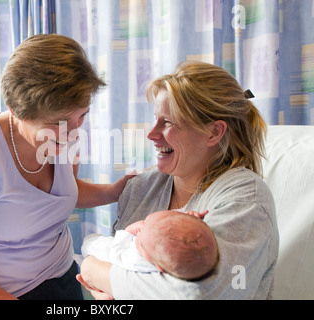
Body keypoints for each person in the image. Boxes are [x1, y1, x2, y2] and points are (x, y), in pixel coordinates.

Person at [0, 34, 132, 300]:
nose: (72, 132)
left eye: (81, 115)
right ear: (16, 111)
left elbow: (63, 192)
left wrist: (114, 191)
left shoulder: (66, 137)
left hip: (62, 275)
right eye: (58, 121)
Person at [77, 61, 279, 300]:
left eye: (168, 122)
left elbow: (195, 294)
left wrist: (92, 269)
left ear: (213, 133)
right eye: (155, 119)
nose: (151, 134)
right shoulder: (141, 188)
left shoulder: (246, 198)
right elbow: (115, 256)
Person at [80, 210, 219, 281]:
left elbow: (117, 252)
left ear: (159, 268)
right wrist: (189, 216)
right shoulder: (164, 254)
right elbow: (170, 226)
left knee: (89, 243)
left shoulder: (136, 260)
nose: (142, 225)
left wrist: (129, 231)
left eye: (140, 240)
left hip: (100, 250)